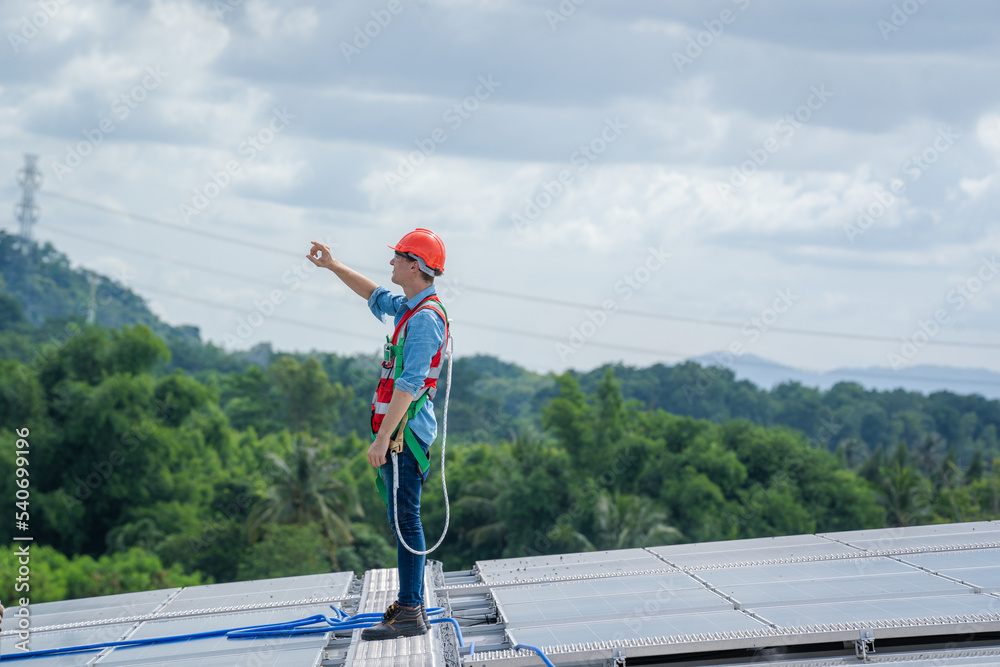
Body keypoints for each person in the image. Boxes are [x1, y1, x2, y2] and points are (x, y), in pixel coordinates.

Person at [306, 228, 449, 641]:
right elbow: (372, 295)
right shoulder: (410, 308)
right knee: (401, 519)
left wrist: (383, 438)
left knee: (406, 520)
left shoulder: (424, 320)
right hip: (398, 432)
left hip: (405, 435)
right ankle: (411, 605)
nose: (391, 263)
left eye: (398, 257)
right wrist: (332, 266)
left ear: (416, 266)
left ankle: (409, 610)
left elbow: (409, 383)